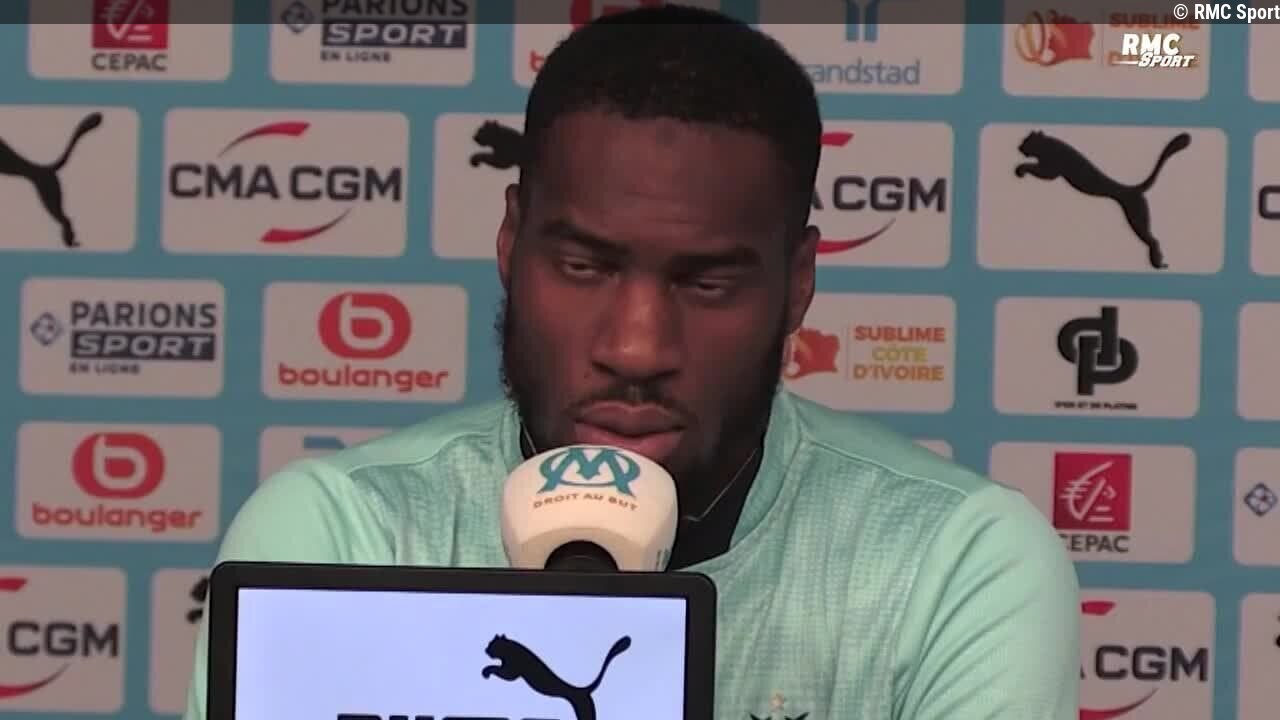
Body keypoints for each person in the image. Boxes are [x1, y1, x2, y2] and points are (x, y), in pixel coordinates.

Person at [182, 6, 1079, 719]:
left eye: (708, 282)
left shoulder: (952, 564)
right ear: (511, 243)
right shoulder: (341, 541)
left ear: (797, 282)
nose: (636, 349)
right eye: (584, 267)